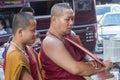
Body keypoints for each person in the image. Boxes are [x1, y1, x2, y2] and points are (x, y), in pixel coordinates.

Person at [39, 3, 113, 80]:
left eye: (72, 19)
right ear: (54, 19)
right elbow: (75, 69)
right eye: (67, 19)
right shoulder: (50, 42)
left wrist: (91, 60)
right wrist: (103, 67)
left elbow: (83, 54)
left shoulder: (70, 35)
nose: (71, 23)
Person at [3, 12, 42, 80]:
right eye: (32, 30)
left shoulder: (27, 49)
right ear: (20, 31)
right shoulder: (15, 56)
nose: (35, 33)